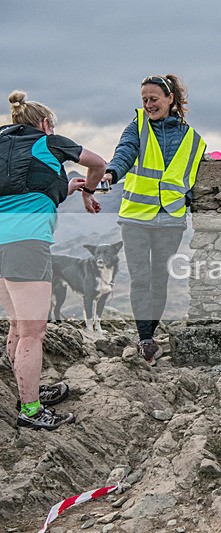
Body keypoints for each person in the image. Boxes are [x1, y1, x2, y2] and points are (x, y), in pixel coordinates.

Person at [0, 90, 105, 430]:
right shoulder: (50, 141)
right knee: (33, 332)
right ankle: (31, 411)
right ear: (45, 123)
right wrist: (89, 191)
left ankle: (27, 394)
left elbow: (23, 188)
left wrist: (66, 189)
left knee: (18, 325)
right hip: (27, 244)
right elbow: (98, 164)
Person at [103, 75, 205, 366]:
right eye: (144, 100)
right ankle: (145, 338)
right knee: (140, 277)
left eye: (154, 99)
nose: (148, 105)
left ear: (170, 98)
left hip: (170, 218)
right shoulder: (137, 126)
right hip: (135, 216)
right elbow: (125, 152)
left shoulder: (192, 138)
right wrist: (111, 173)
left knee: (160, 278)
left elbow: (192, 174)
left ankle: (149, 334)